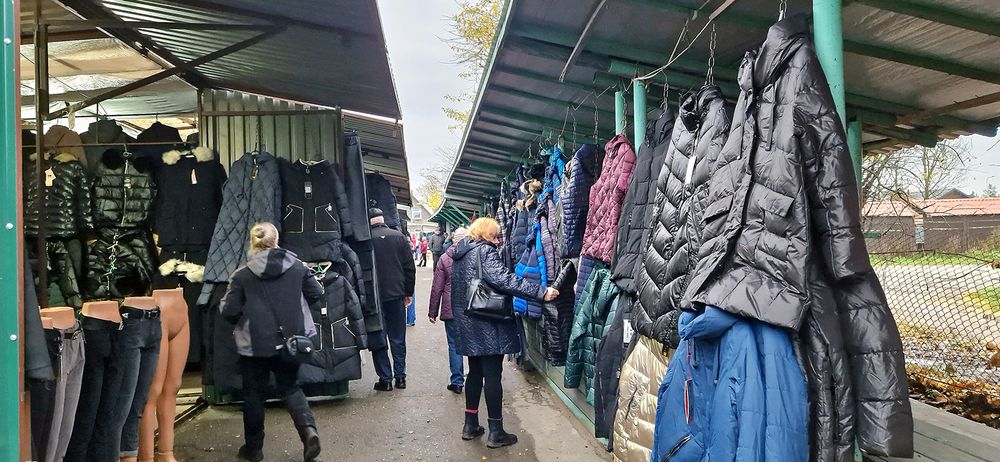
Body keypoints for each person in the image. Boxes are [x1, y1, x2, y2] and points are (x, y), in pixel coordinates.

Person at [449, 218, 558, 448]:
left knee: (475, 373)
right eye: (495, 236)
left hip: (469, 321)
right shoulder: (485, 251)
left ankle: (470, 425)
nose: (499, 241)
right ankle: (496, 431)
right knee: (492, 375)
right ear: (484, 235)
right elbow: (505, 280)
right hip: (488, 322)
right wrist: (541, 292)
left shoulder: (460, 253)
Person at [220, 222, 322, 462]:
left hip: (254, 344)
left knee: (254, 394)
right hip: (291, 340)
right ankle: (309, 432)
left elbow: (228, 311)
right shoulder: (297, 266)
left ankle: (254, 449)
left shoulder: (242, 274)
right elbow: (317, 293)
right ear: (276, 240)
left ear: (252, 242)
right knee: (290, 387)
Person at [369, 208, 416, 391]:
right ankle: (400, 377)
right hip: (396, 294)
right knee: (398, 337)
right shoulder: (399, 237)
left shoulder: (367, 239)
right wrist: (408, 293)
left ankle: (385, 379)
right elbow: (409, 268)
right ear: (383, 219)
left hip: (374, 297)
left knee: (378, 337)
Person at [428, 227, 469, 394]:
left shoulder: (444, 258)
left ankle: (457, 382)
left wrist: (433, 312)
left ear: (453, 240)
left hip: (451, 307)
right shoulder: (474, 254)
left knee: (454, 345)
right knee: (474, 343)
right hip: (472, 308)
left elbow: (437, 287)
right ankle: (475, 379)